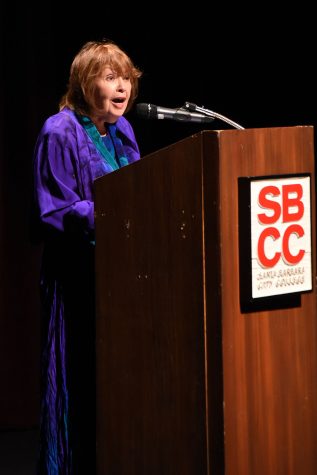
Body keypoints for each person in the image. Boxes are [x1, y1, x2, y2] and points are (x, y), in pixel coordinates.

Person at [32, 39, 142, 474]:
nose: (123, 87)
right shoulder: (58, 131)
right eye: (110, 77)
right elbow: (55, 210)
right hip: (76, 278)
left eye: (127, 79)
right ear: (84, 81)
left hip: (122, 276)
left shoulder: (123, 132)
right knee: (78, 382)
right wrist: (110, 215)